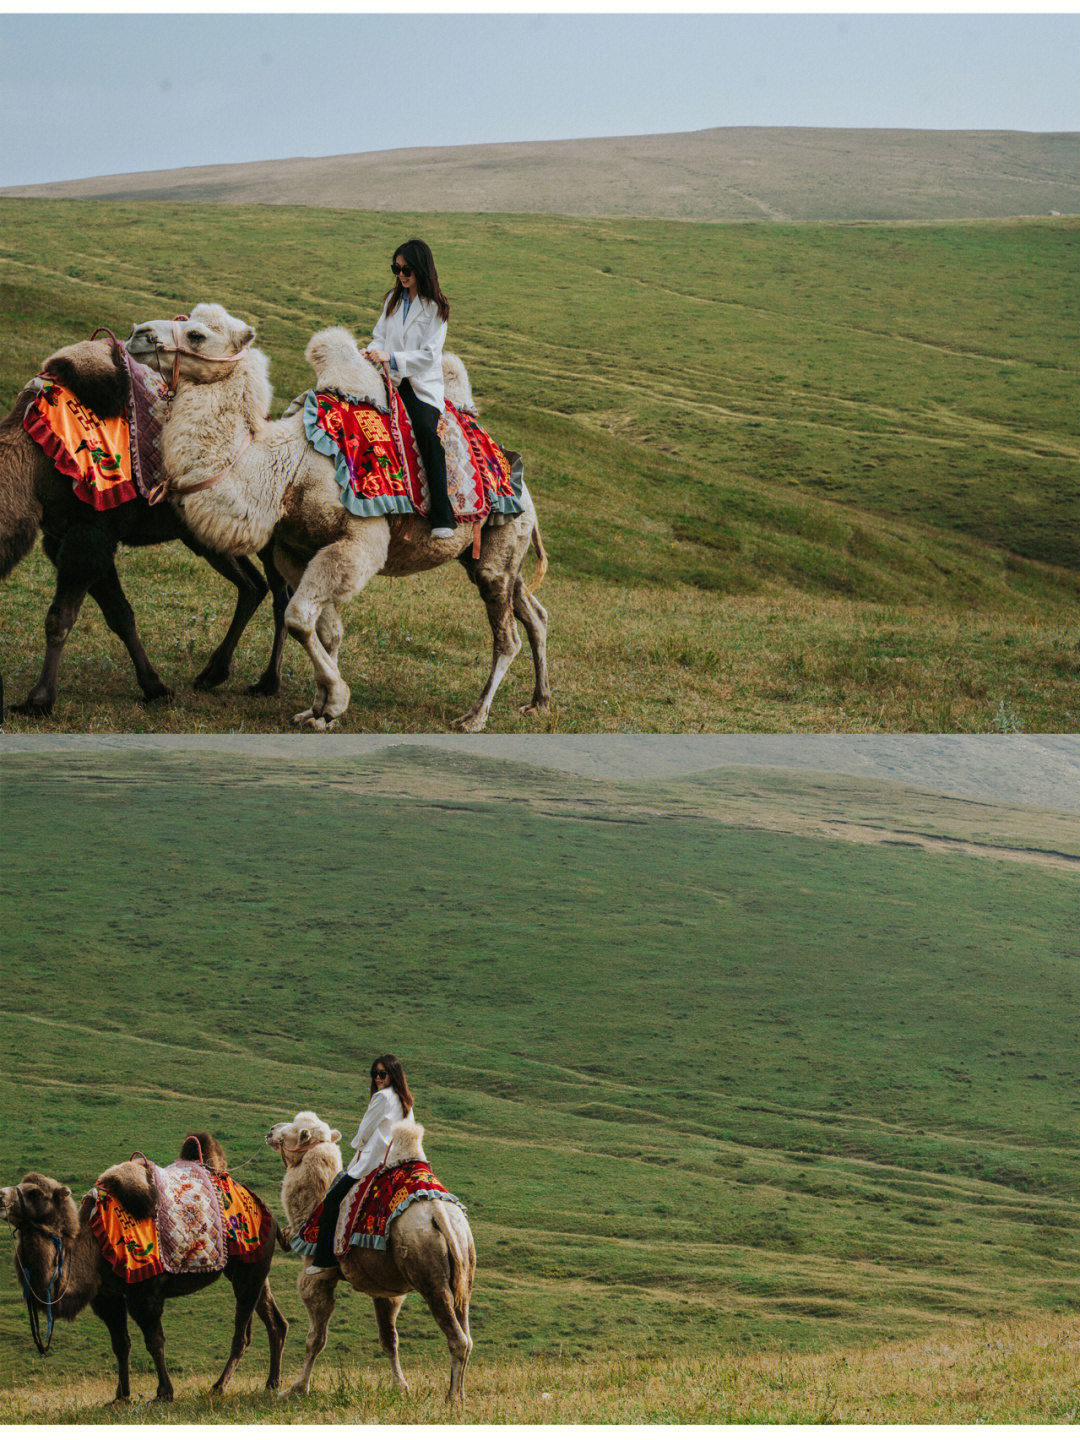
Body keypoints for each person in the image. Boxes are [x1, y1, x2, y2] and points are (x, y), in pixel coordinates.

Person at [364, 239, 457, 539]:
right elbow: (380, 335)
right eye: (396, 268)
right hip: (390, 379)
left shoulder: (435, 309)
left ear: (420, 269)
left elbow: (430, 355)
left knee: (427, 435)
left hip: (419, 386)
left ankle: (443, 514)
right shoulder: (392, 299)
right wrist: (372, 351)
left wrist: (391, 357)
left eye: (406, 269)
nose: (401, 275)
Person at [305, 1054, 415, 1275]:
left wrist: (357, 1145)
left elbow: (366, 1129)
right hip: (395, 1159)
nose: (377, 1078)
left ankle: (325, 1259)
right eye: (374, 1074)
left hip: (371, 1160)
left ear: (392, 1074)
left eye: (382, 1074)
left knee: (332, 1200)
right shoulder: (405, 1100)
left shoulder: (382, 1097)